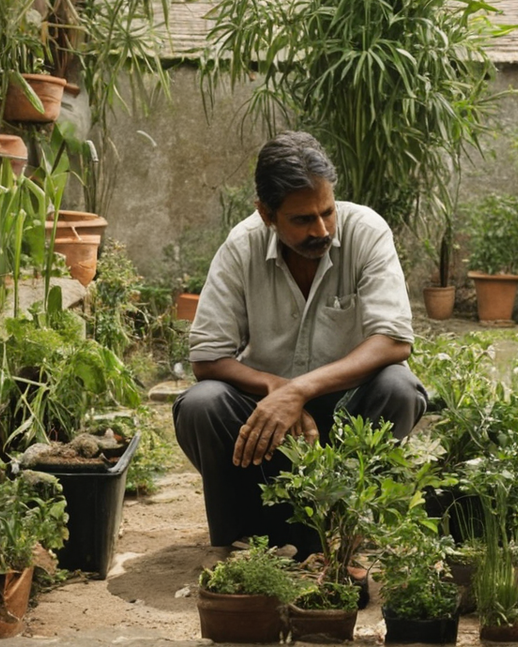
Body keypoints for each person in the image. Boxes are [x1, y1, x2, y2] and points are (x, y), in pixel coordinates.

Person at [172, 130, 427, 553]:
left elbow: (393, 341)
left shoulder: (366, 232)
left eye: (327, 212)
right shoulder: (242, 246)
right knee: (202, 403)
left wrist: (301, 391)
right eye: (303, 220)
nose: (321, 229)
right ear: (266, 213)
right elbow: (207, 357)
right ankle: (245, 539)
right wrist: (277, 391)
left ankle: (352, 528)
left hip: (349, 416)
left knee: (399, 387)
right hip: (268, 423)